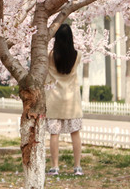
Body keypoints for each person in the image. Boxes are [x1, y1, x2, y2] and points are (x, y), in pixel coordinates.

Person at [45, 23, 84, 176]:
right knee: (75, 133)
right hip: (72, 101)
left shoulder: (49, 55)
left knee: (54, 134)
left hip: (53, 100)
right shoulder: (78, 55)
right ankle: (77, 167)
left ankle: (54, 167)